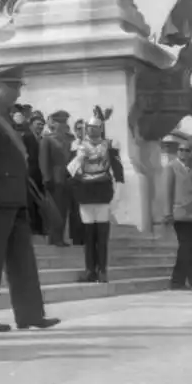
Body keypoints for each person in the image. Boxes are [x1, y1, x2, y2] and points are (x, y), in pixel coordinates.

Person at [0, 66, 59, 332]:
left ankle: (30, 314)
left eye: (18, 87)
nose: (17, 92)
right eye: (13, 87)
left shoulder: (5, 117)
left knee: (23, 259)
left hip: (14, 196)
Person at [68, 106, 124, 283]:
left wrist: (118, 193)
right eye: (90, 128)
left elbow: (118, 171)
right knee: (89, 235)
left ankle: (102, 270)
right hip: (85, 194)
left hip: (102, 193)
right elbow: (72, 171)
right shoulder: (79, 147)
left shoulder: (108, 146)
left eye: (96, 128)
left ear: (101, 129)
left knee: (102, 235)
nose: (92, 131)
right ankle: (90, 269)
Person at [163, 142, 192, 291]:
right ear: (177, 152)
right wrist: (167, 212)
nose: (183, 153)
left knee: (187, 248)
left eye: (187, 150)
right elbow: (167, 191)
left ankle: (178, 281)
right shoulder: (171, 167)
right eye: (181, 150)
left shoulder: (191, 170)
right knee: (186, 247)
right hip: (179, 213)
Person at [40, 110, 78, 247]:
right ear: (54, 123)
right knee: (55, 210)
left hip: (69, 178)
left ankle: (61, 236)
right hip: (54, 179)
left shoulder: (70, 139)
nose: (62, 125)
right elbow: (44, 160)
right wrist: (46, 177)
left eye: (64, 122)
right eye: (59, 122)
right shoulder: (48, 140)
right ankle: (54, 237)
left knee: (65, 209)